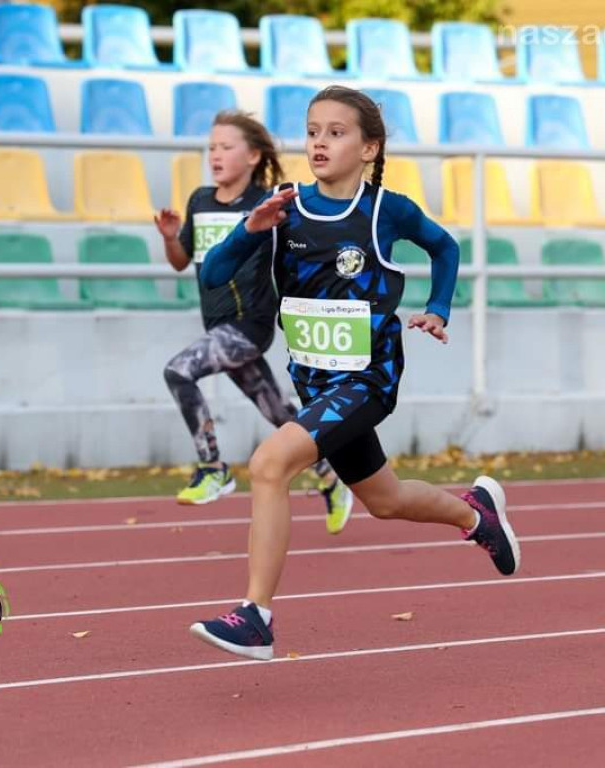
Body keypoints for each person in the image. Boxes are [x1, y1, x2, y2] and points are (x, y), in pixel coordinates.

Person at [189, 87, 521, 660]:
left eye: (336, 132)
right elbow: (213, 275)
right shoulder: (282, 207)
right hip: (313, 382)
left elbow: (444, 248)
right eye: (313, 130)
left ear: (369, 148)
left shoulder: (385, 210)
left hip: (368, 380)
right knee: (385, 499)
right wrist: (250, 228)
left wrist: (439, 307)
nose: (320, 142)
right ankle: (476, 514)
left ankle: (256, 616)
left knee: (269, 464)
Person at [157, 110, 354, 534]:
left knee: (178, 371)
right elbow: (180, 263)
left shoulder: (266, 204)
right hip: (218, 326)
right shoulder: (200, 201)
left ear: (252, 156)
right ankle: (331, 479)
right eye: (211, 147)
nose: (215, 155)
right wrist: (172, 237)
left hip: (251, 324)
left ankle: (212, 469)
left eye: (226, 147)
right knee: (280, 413)